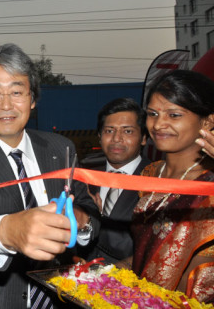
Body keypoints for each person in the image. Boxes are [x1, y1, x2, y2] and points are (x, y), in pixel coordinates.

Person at [0, 44, 100, 309]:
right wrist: (11, 231)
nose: (6, 105)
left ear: (32, 99)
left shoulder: (61, 148)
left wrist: (81, 222)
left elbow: (90, 210)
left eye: (16, 92)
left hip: (57, 297)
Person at [131, 70, 214, 303]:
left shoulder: (210, 183)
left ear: (207, 121)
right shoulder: (149, 174)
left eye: (174, 115)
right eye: (153, 114)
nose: (158, 124)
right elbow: (146, 253)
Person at [82, 98, 151, 263]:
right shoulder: (84, 177)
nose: (116, 139)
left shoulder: (156, 179)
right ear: (99, 136)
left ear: (143, 138)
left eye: (127, 131)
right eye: (109, 131)